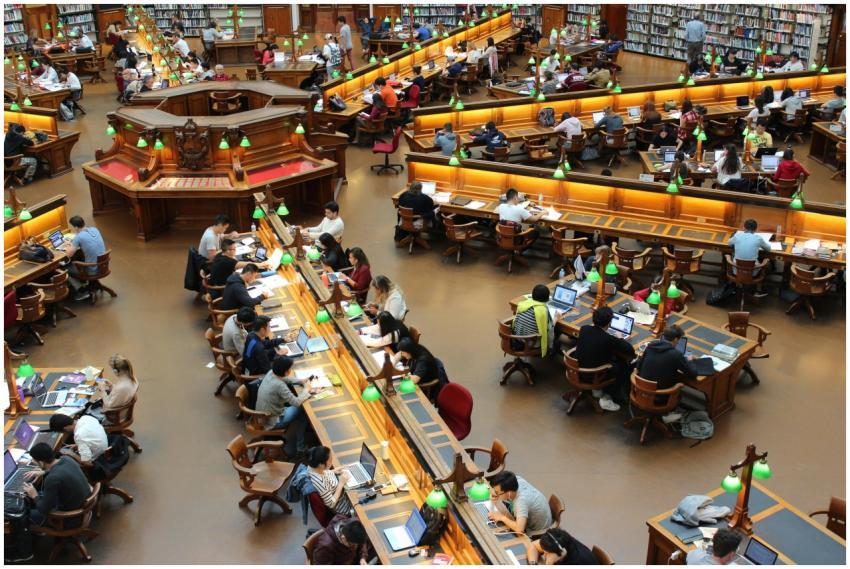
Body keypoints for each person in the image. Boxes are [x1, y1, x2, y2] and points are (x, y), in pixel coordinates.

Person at [575, 306, 635, 410]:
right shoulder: (608, 339)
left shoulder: (584, 329)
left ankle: (598, 391)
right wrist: (620, 338)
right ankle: (607, 396)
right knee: (624, 365)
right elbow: (630, 350)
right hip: (593, 375)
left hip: (578, 369)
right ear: (609, 323)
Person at [21, 442, 91, 528]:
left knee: (23, 516)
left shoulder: (52, 479)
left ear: (41, 463)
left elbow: (44, 510)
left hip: (69, 518)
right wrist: (44, 472)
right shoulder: (67, 459)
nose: (33, 462)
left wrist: (34, 495)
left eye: (34, 460)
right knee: (40, 496)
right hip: (80, 505)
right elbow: (60, 470)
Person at [256, 356, 314, 456]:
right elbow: (296, 402)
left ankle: (301, 445)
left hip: (262, 415)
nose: (291, 370)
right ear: (286, 371)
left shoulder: (271, 372)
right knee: (303, 410)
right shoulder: (279, 386)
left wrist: (300, 381)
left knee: (301, 412)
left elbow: (285, 379)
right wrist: (307, 390)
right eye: (290, 368)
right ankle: (300, 447)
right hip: (273, 420)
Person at [488, 471, 552, 536]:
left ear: (509, 493)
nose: (496, 494)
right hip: (542, 516)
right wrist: (494, 492)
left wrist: (502, 517)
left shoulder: (521, 502)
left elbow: (520, 529)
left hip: (538, 530)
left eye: (497, 492)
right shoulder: (516, 480)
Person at [637, 325, 698, 390]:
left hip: (641, 388)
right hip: (659, 393)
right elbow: (693, 375)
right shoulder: (676, 354)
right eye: (679, 340)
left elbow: (638, 366)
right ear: (675, 339)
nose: (678, 342)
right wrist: (690, 360)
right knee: (680, 382)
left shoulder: (651, 346)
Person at [64, 215, 107, 300]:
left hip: (92, 269)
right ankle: (87, 284)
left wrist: (67, 245)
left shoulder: (79, 237)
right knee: (80, 257)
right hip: (103, 266)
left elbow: (69, 255)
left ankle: (81, 290)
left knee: (65, 269)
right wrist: (74, 243)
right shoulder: (94, 229)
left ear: (76, 227)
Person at [306, 446, 354, 517]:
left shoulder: (312, 467)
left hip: (342, 492)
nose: (332, 462)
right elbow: (331, 504)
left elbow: (323, 473)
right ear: (321, 465)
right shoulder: (320, 482)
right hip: (343, 506)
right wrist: (341, 484)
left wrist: (333, 471)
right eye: (330, 460)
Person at [513, 284, 556, 357]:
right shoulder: (543, 310)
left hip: (517, 338)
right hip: (532, 343)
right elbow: (549, 329)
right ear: (547, 299)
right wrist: (555, 319)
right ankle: (550, 353)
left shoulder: (523, 304)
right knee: (555, 331)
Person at [525, 528, 598, 565]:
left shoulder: (576, 562)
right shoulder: (556, 540)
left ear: (561, 552)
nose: (544, 555)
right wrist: (533, 564)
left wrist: (549, 564)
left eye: (547, 553)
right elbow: (533, 546)